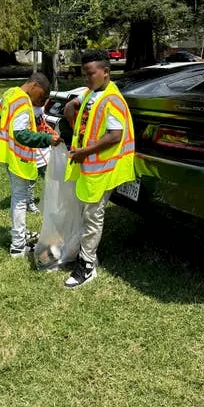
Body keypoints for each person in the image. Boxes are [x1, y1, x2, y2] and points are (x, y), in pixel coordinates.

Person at [61, 50, 136, 288]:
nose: (86, 79)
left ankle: (87, 266)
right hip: (90, 167)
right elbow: (77, 111)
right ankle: (82, 254)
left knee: (93, 216)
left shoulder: (112, 100)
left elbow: (115, 136)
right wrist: (72, 105)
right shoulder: (92, 93)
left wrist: (84, 152)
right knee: (85, 213)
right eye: (83, 74)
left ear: (106, 72)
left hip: (103, 168)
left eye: (90, 74)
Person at [0, 73, 60, 257]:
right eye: (43, 95)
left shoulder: (10, 93)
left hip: (7, 153)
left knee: (18, 197)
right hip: (18, 157)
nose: (42, 101)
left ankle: (20, 235)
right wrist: (47, 139)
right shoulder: (23, 102)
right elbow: (21, 134)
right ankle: (18, 246)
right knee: (20, 200)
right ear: (34, 85)